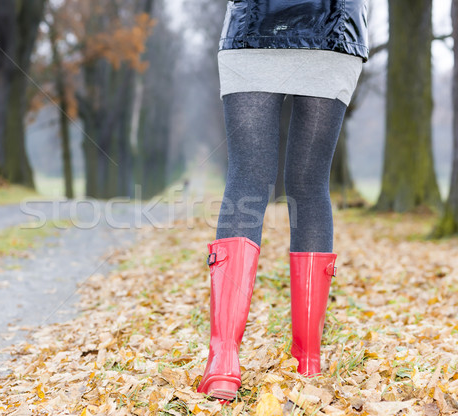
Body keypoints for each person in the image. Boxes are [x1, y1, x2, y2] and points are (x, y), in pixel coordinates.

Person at [197, 0, 369, 401]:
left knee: (247, 180)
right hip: (334, 27)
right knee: (309, 186)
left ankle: (223, 362)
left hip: (254, 27)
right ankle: (307, 359)